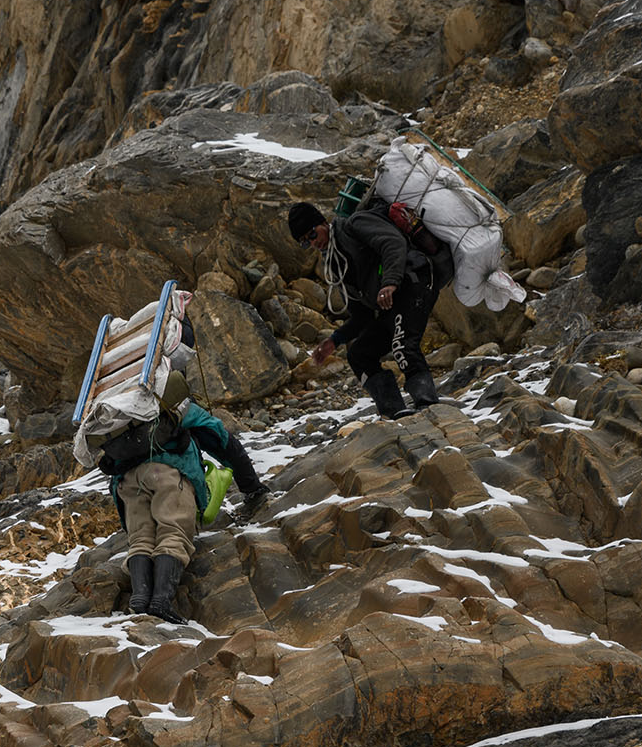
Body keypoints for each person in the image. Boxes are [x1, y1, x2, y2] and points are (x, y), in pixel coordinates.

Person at [107, 364, 265, 624]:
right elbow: (223, 441)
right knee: (173, 534)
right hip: (168, 474)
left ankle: (139, 600)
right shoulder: (171, 404)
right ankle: (160, 602)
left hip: (127, 481)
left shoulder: (119, 410)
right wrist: (251, 487)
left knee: (141, 539)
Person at [286, 197, 453, 418]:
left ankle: (427, 405)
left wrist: (390, 283)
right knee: (359, 354)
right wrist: (334, 340)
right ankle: (395, 412)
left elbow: (393, 243)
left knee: (403, 345)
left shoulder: (355, 224)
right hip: (390, 301)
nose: (313, 243)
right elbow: (362, 315)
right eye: (305, 242)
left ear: (323, 223)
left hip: (414, 281)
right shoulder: (336, 263)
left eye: (313, 234)